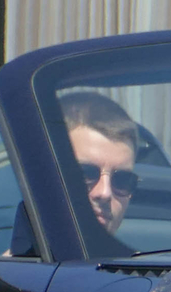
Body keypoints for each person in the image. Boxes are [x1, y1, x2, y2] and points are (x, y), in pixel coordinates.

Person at [60, 91, 141, 235]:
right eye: (85, 174)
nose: (105, 193)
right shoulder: (13, 258)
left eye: (122, 180)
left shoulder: (145, 257)